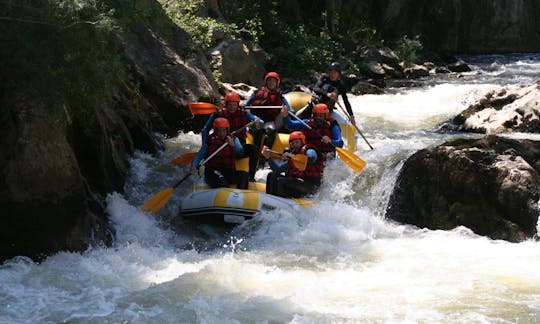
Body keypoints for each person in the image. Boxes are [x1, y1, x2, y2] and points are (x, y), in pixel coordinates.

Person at [201, 92, 263, 181]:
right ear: (226, 105)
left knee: (255, 150)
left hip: (239, 146)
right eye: (230, 105)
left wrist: (256, 120)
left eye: (234, 105)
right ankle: (220, 175)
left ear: (238, 105)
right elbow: (205, 129)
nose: (232, 107)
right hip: (221, 147)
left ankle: (251, 177)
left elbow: (258, 121)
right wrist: (205, 145)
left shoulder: (243, 112)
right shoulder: (218, 113)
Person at [261, 131, 323, 198]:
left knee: (281, 181)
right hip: (298, 182)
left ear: (302, 141)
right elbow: (278, 169)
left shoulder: (309, 150)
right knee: (271, 175)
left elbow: (312, 158)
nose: (295, 145)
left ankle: (281, 202)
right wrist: (268, 157)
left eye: (297, 142)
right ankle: (269, 199)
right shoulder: (293, 155)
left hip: (311, 186)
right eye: (292, 143)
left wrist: (293, 157)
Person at [191, 117, 248, 189]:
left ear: (227, 130)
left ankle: (241, 194)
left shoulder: (233, 139)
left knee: (244, 174)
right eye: (219, 131)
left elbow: (241, 153)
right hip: (213, 171)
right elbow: (199, 156)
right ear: (215, 131)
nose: (222, 133)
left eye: (224, 130)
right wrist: (194, 166)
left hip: (228, 171)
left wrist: (233, 146)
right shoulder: (209, 141)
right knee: (222, 182)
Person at [244, 71, 292, 148]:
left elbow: (290, 109)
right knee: (257, 129)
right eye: (269, 80)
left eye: (273, 81)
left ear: (277, 83)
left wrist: (287, 110)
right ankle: (255, 148)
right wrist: (252, 117)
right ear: (266, 82)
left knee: (271, 130)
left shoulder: (279, 96)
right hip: (255, 118)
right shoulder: (256, 93)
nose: (271, 83)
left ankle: (265, 151)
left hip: (269, 121)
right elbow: (246, 104)